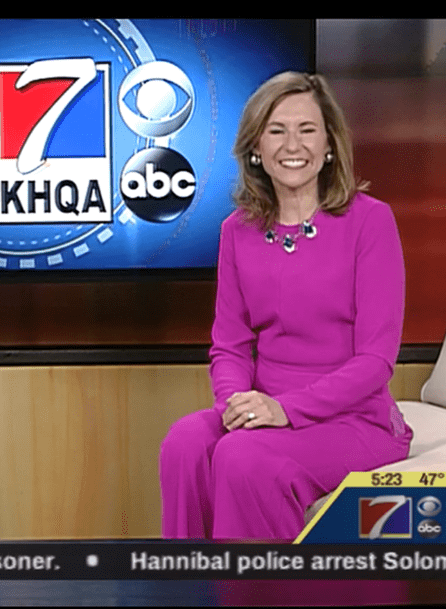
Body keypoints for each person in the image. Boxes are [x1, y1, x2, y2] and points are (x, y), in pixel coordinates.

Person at [159, 72, 412, 540]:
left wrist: (284, 410)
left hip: (354, 418)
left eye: (307, 130)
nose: (291, 144)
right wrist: (236, 406)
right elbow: (230, 347)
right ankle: (189, 586)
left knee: (243, 457)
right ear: (256, 147)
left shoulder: (371, 221)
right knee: (184, 442)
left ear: (330, 145)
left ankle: (266, 591)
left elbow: (376, 362)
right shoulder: (237, 230)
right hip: (265, 409)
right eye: (276, 130)